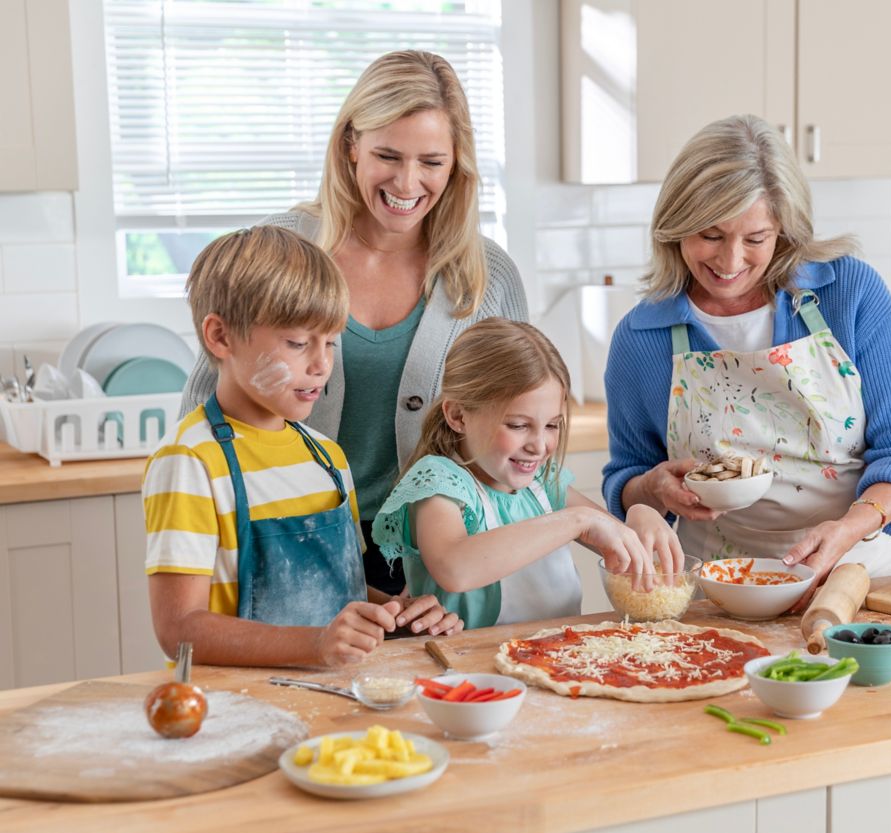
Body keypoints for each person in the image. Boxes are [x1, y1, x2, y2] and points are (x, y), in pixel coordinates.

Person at [180, 50, 528, 604]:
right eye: (387, 155)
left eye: (432, 161)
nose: (408, 181)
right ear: (350, 146)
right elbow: (205, 413)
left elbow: (515, 429)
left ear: (457, 162)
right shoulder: (283, 250)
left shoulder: (489, 277)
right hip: (291, 544)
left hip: (438, 559)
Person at [602, 114, 891, 599]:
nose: (731, 260)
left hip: (861, 577)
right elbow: (628, 477)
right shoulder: (643, 337)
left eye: (755, 239)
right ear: (674, 226)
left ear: (783, 229)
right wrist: (652, 489)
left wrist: (848, 527)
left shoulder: (848, 295)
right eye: (710, 235)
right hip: (720, 590)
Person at [146, 226, 462, 668]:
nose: (321, 365)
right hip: (233, 707)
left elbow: (340, 589)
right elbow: (179, 629)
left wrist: (394, 615)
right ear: (220, 337)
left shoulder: (327, 458)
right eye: (297, 343)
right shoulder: (191, 461)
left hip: (331, 694)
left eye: (331, 342)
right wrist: (315, 645)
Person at [373, 318, 682, 629]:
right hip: (471, 669)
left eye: (551, 426)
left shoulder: (542, 484)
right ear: (458, 415)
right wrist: (577, 520)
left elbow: (614, 539)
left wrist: (640, 516)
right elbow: (455, 568)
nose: (538, 446)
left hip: (559, 660)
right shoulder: (439, 482)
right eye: (518, 426)